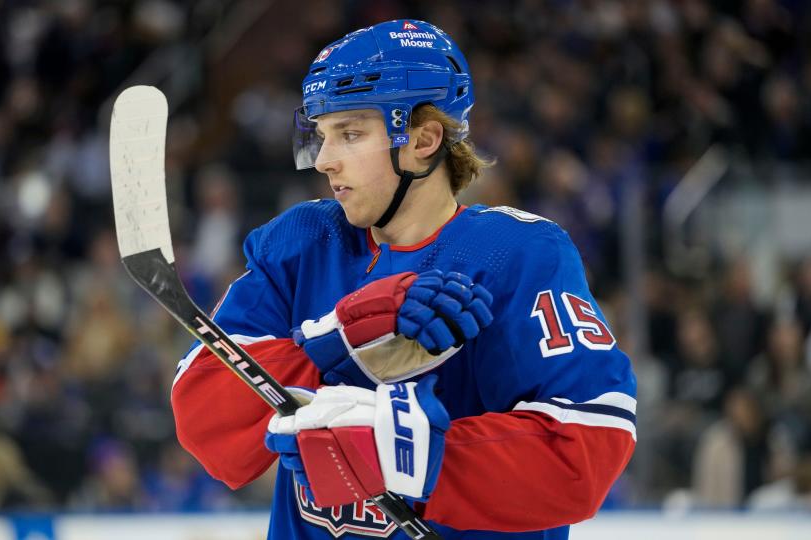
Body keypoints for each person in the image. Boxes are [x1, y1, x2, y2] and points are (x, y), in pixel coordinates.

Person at [172, 19, 636, 539]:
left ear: (423, 139)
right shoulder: (302, 244)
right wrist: (329, 347)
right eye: (321, 135)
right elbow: (204, 422)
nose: (324, 160)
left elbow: (590, 446)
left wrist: (413, 458)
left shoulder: (519, 255)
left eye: (350, 133)